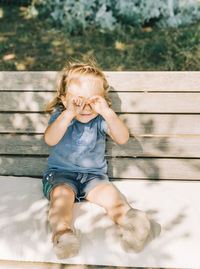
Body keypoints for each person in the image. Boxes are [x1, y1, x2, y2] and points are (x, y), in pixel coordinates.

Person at [43, 62, 150, 259]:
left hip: (94, 178)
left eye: (92, 101)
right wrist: (68, 113)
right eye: (77, 101)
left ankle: (131, 223)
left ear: (103, 100)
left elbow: (123, 138)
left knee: (112, 197)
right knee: (61, 198)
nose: (84, 107)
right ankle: (62, 234)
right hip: (60, 175)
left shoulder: (100, 119)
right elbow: (50, 139)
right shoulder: (61, 117)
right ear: (65, 100)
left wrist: (107, 112)